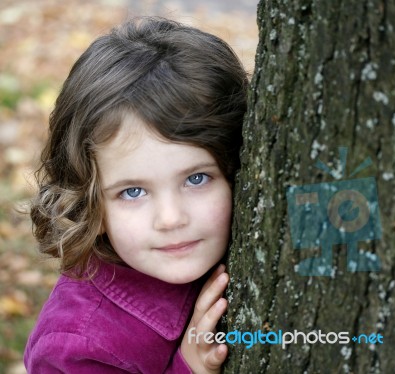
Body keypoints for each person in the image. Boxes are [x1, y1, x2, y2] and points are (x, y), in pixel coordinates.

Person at [24, 16, 248, 373]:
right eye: (133, 191)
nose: (171, 218)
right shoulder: (76, 348)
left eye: (196, 179)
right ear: (90, 205)